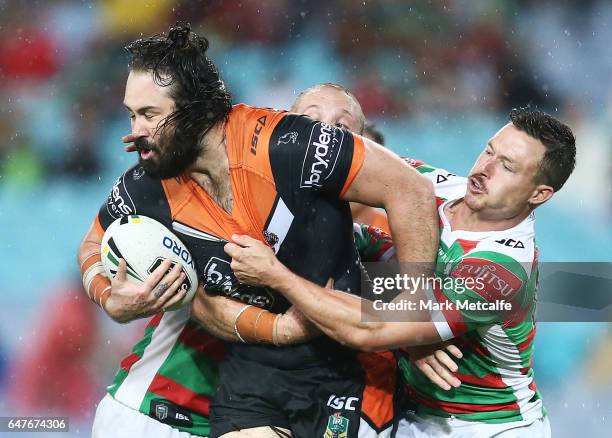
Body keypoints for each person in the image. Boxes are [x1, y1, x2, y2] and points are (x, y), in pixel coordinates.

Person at [77, 25, 439, 438]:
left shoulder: (290, 147)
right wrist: (110, 298)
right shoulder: (147, 186)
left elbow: (414, 193)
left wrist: (415, 314)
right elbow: (99, 245)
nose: (133, 131)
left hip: (347, 375)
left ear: (194, 110)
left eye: (149, 114)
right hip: (250, 372)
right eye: (131, 114)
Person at [225, 107, 576, 437]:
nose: (484, 169)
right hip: (413, 413)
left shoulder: (500, 273)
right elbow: (342, 170)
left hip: (486, 427)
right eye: (489, 151)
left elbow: (371, 326)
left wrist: (276, 274)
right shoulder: (431, 187)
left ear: (540, 194)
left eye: (508, 167)